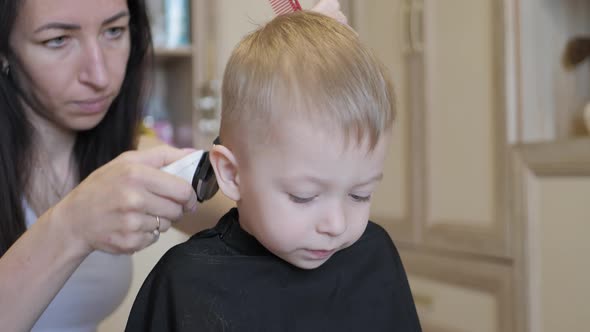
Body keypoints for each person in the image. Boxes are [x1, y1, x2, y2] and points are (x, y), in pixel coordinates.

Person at [0, 0, 348, 330]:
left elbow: (275, 219)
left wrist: (286, 80)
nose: (100, 75)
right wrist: (71, 227)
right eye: (58, 40)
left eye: (114, 31)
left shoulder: (131, 153)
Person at [126, 11, 422, 332]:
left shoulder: (373, 256)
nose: (336, 225)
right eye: (304, 196)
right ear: (230, 173)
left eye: (360, 194)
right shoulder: (186, 281)